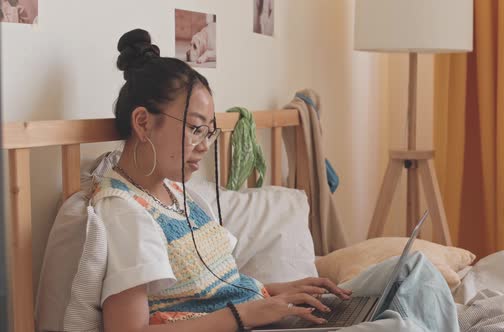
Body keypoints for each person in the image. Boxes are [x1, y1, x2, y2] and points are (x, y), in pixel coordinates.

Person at [96, 29, 352, 332]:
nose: (205, 145)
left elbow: (210, 293)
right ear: (143, 123)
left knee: (404, 276)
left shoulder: (173, 190)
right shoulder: (126, 212)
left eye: (208, 132)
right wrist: (249, 313)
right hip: (248, 325)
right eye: (195, 129)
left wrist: (276, 292)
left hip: (261, 316)